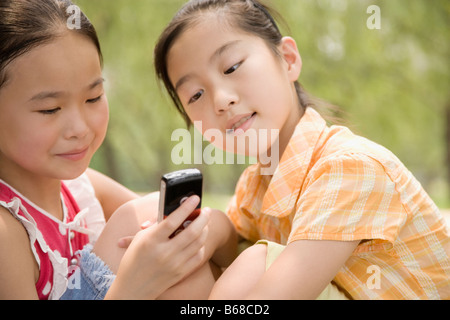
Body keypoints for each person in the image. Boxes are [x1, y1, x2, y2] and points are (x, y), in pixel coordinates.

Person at [153, 0, 450, 299]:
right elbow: (229, 247)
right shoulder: (255, 185)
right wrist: (211, 227)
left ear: (288, 59)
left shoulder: (349, 167)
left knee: (255, 266)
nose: (220, 99)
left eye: (231, 67)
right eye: (196, 95)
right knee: (177, 255)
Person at [0, 0, 237, 300]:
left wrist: (196, 234)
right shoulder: (6, 230)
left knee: (165, 242)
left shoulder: (81, 189)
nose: (80, 128)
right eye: (50, 109)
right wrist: (132, 287)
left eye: (94, 97)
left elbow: (226, 239)